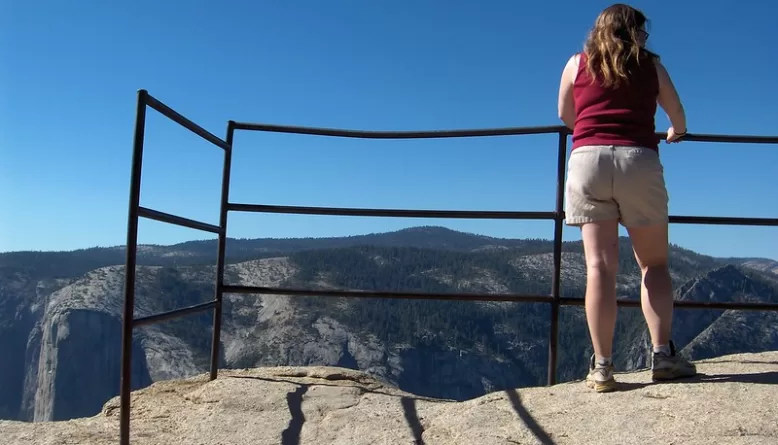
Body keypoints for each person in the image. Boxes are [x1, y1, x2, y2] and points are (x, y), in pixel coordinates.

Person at [557, 3, 697, 393]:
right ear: (633, 32)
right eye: (643, 32)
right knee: (653, 264)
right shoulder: (651, 66)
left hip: (588, 160)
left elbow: (567, 115)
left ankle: (602, 367)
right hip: (638, 158)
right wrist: (675, 132)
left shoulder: (576, 63)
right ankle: (663, 356)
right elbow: (679, 115)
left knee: (600, 268)